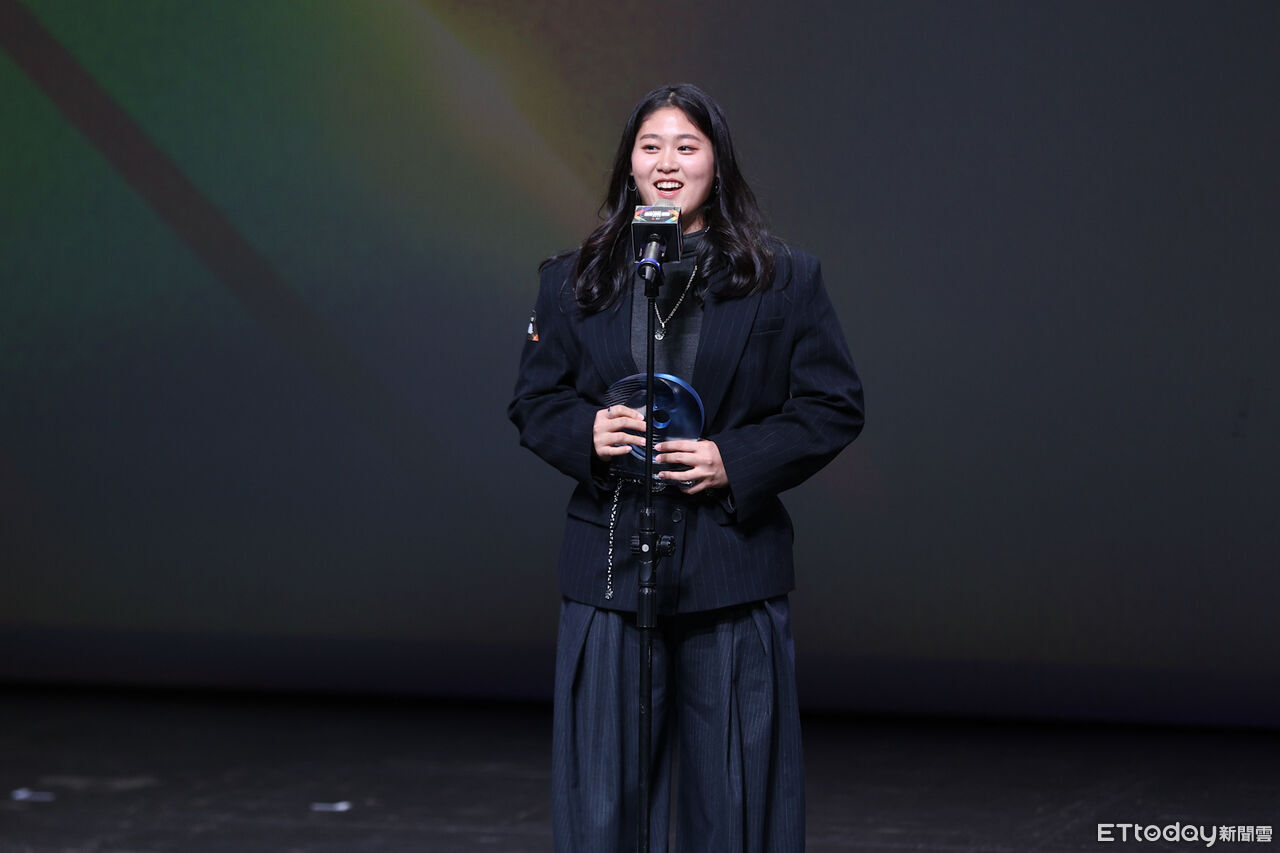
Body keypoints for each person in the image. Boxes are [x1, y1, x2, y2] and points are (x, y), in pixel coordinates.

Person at [509, 83, 864, 852]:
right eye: (650, 146)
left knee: (736, 796)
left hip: (730, 562)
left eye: (686, 146)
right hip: (609, 561)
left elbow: (833, 403)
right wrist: (589, 430)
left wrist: (733, 459)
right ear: (629, 164)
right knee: (602, 799)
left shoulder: (784, 277)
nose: (666, 162)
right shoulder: (573, 279)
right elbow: (534, 401)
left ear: (717, 163)